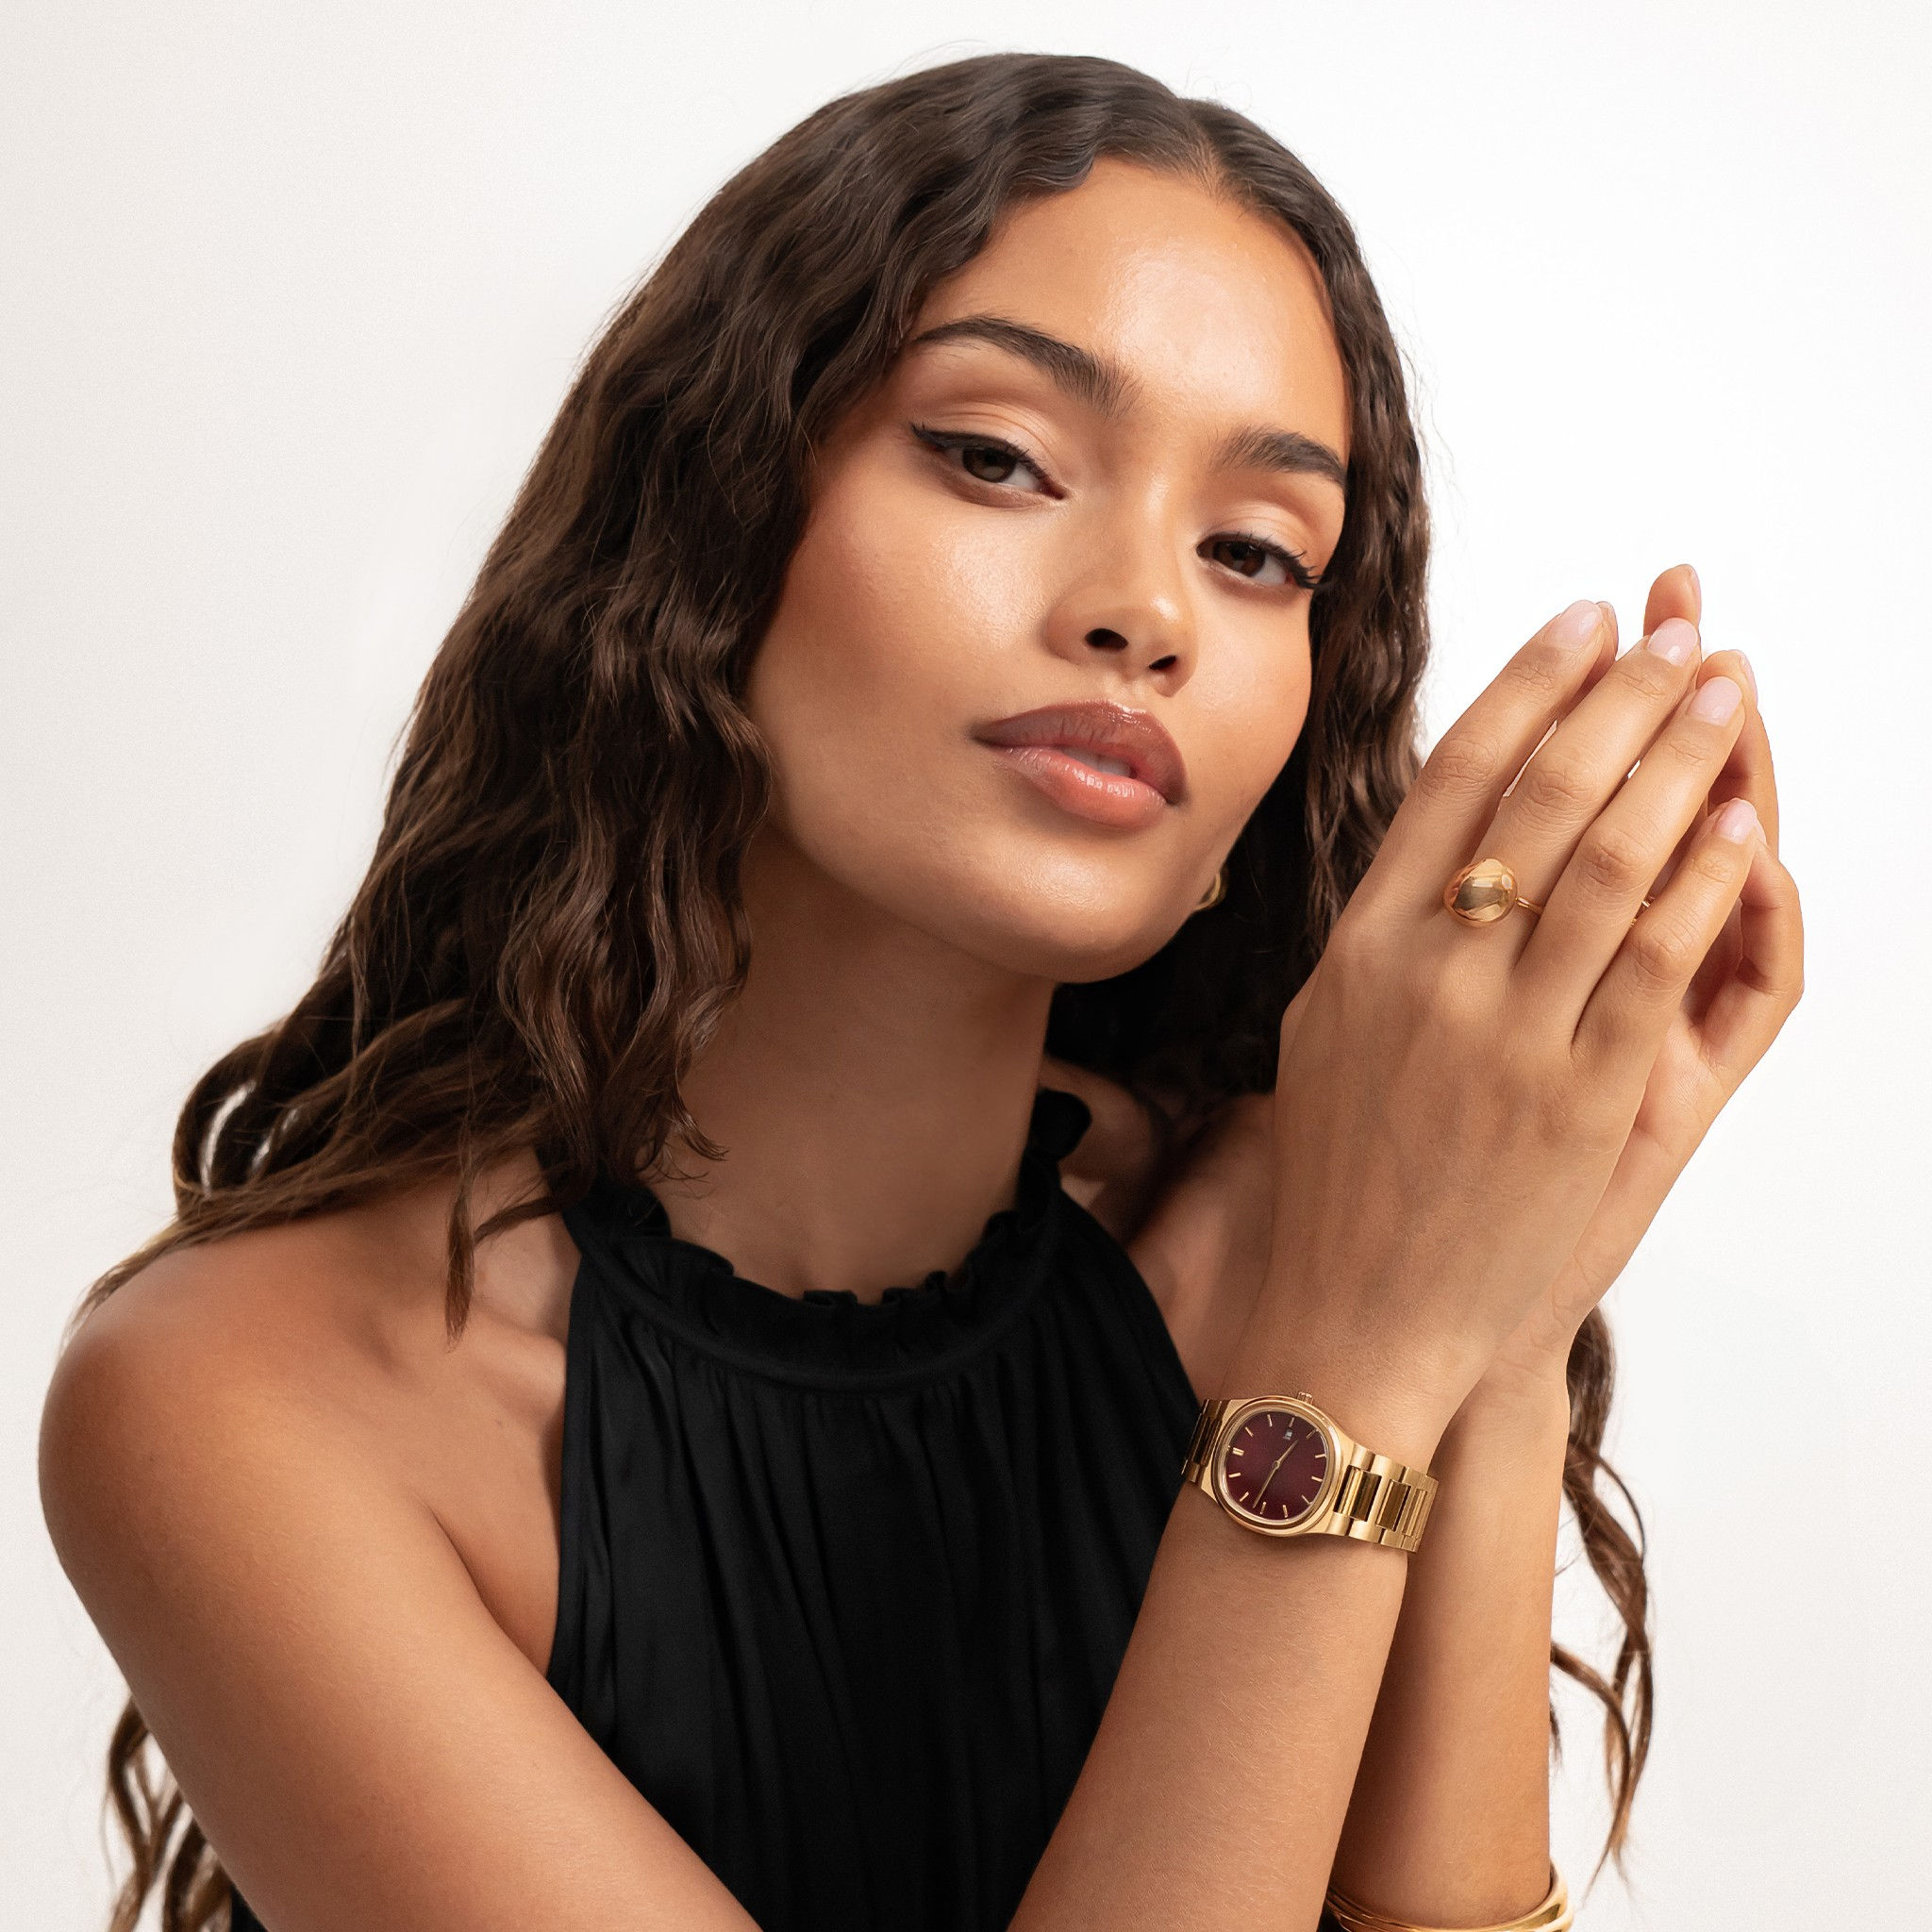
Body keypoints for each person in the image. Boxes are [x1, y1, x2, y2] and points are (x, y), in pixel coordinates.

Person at [38, 51, 1802, 1932]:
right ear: (705, 530)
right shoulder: (253, 1401)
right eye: (995, 456)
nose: (1147, 612)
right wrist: (1354, 1380)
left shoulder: (1299, 1251)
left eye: (1255, 552)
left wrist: (1505, 1319)